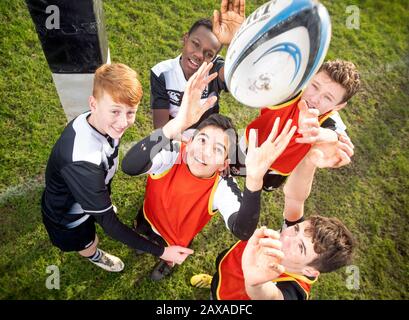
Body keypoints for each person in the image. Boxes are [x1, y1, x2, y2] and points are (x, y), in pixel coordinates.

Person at [122, 61, 297, 280]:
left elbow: (242, 231)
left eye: (217, 149)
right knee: (143, 234)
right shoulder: (174, 153)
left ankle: (167, 262)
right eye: (202, 140)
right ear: (190, 140)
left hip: (178, 236)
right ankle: (145, 242)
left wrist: (254, 179)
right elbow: (129, 166)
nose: (203, 152)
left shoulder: (222, 187)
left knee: (173, 252)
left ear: (224, 164)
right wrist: (177, 125)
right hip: (148, 217)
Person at [41, 63, 193, 273]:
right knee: (88, 242)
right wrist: (163, 252)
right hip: (68, 218)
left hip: (87, 194)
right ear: (93, 104)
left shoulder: (96, 121)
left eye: (130, 112)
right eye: (115, 111)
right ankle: (94, 255)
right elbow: (111, 226)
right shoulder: (84, 162)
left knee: (99, 208)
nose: (123, 122)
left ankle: (99, 211)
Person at [191, 138, 356, 299]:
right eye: (297, 228)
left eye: (300, 247)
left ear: (309, 271)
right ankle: (214, 282)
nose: (288, 235)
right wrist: (309, 161)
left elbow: (272, 297)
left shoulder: (295, 290)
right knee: (218, 281)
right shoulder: (293, 236)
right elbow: (295, 198)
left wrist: (255, 283)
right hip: (228, 267)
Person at [231, 59, 361, 191]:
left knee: (258, 188)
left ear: (338, 106)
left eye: (327, 98)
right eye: (315, 86)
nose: (314, 99)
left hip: (278, 168)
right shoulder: (288, 92)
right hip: (252, 145)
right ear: (310, 78)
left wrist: (316, 133)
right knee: (228, 170)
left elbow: (336, 135)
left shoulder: (329, 119)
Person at [150, 0, 245, 130]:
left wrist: (233, 42)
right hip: (174, 138)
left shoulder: (214, 68)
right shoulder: (162, 73)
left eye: (209, 54)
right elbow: (160, 129)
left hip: (204, 140)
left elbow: (236, 76)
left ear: (214, 57)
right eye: (195, 44)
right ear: (185, 39)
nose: (200, 55)